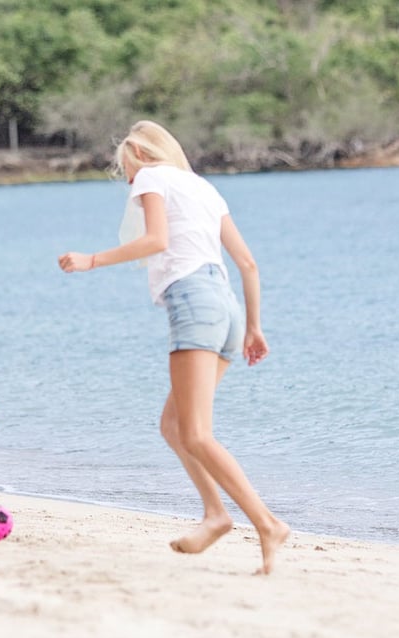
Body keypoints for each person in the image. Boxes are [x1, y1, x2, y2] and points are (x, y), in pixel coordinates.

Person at [57, 120, 289, 574]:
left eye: (124, 169)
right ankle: (216, 514)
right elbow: (248, 263)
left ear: (140, 155)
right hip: (225, 307)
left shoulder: (151, 176)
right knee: (173, 425)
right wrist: (254, 327)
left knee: (197, 433)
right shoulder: (202, 187)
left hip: (194, 300)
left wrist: (92, 260)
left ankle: (267, 523)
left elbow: (156, 240)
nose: (127, 180)